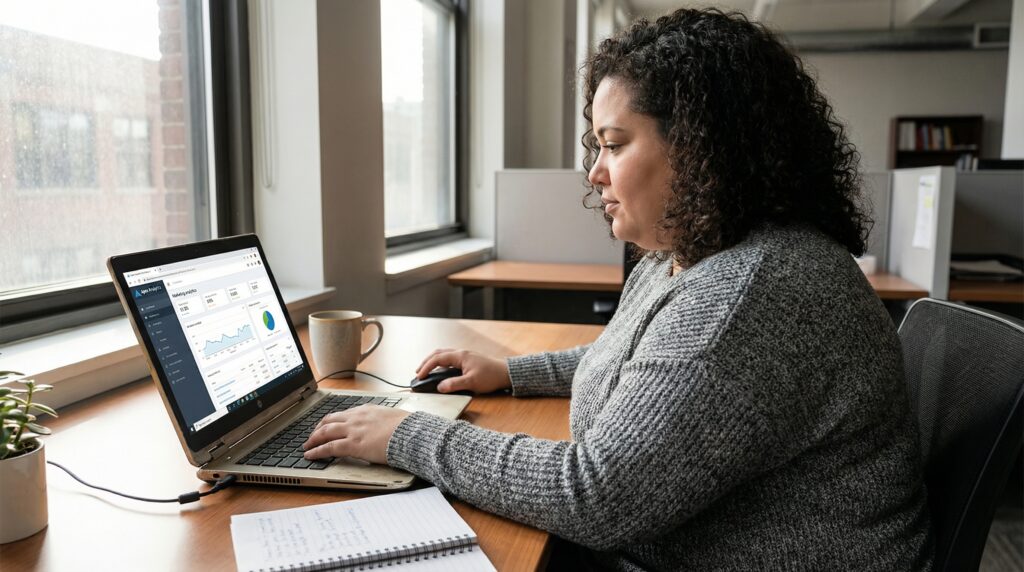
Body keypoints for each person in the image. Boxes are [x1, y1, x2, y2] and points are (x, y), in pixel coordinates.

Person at [303, 8, 934, 570]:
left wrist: (406, 435)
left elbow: (598, 496)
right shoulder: (687, 254)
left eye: (614, 144)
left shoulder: (750, 293)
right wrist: (514, 372)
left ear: (701, 148)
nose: (596, 171)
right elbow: (653, 361)